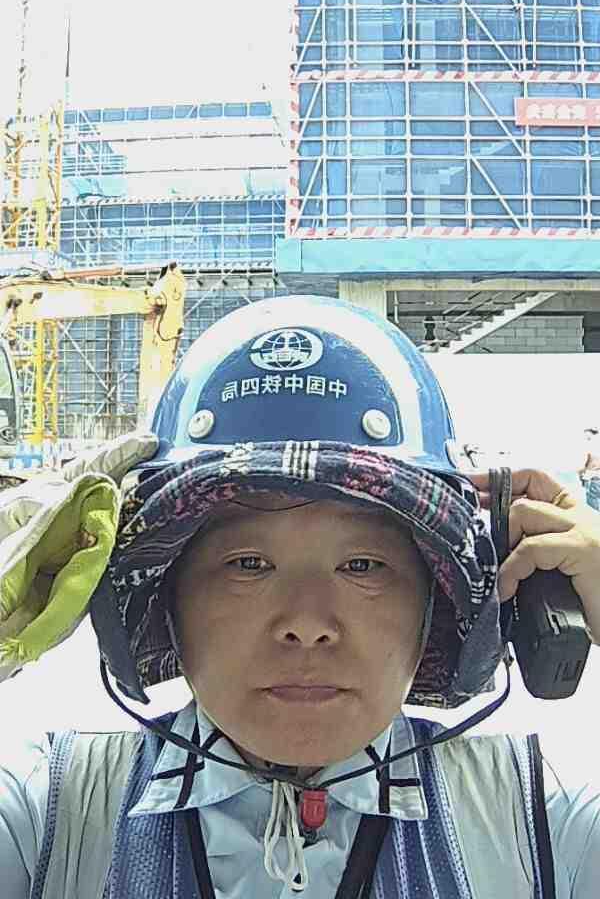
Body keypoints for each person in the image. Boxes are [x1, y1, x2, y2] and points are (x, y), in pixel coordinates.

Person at [0, 294, 599, 898]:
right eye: (249, 564)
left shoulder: (539, 822)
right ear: (167, 598)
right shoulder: (47, 813)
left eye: (361, 565)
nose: (307, 623)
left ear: (436, 602)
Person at [579, 427, 600, 513]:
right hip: (596, 477)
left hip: (591, 479)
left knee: (593, 510)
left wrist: (581, 475)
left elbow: (582, 466)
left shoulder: (589, 447)